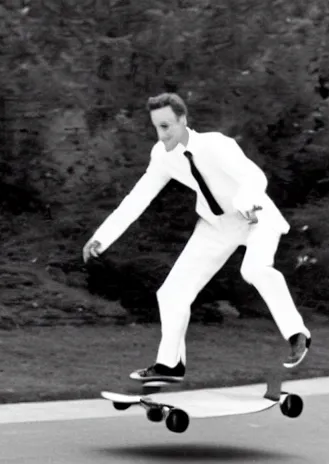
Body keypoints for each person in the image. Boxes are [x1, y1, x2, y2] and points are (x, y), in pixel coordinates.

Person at [82, 92, 310, 385]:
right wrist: (103, 237)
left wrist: (246, 200)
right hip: (216, 225)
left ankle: (297, 333)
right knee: (171, 293)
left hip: (254, 215)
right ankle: (170, 364)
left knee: (254, 270)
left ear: (183, 121)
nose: (161, 134)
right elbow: (137, 198)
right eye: (156, 127)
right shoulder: (162, 156)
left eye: (167, 126)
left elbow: (255, 177)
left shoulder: (216, 145)